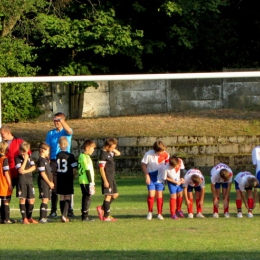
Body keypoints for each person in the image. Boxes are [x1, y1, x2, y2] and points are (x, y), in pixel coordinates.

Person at [45, 112, 73, 218]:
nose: (56, 122)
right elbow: (47, 147)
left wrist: (62, 121)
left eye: (58, 120)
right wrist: (48, 160)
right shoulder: (50, 133)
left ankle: (69, 209)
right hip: (54, 161)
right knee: (54, 186)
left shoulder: (66, 132)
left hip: (65, 161)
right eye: (55, 120)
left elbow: (69, 130)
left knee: (67, 186)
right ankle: (53, 210)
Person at [141, 140, 169, 220]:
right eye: (160, 152)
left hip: (160, 179)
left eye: (163, 151)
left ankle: (159, 214)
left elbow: (168, 166)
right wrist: (147, 176)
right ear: (155, 150)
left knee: (159, 195)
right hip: (151, 177)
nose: (161, 153)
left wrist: (167, 177)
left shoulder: (166, 154)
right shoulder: (148, 154)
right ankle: (150, 212)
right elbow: (143, 165)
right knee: (151, 194)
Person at [96, 138, 121, 222]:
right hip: (107, 178)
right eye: (112, 147)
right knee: (108, 196)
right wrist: (105, 181)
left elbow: (118, 153)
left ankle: (102, 208)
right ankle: (106, 216)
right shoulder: (103, 155)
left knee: (115, 195)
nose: (113, 149)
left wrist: (113, 148)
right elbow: (102, 169)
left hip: (112, 177)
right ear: (107, 146)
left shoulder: (109, 152)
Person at [15, 142, 38, 224]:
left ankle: (29, 217)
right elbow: (20, 169)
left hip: (30, 181)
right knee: (22, 199)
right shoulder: (17, 158)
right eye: (21, 151)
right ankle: (24, 218)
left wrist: (25, 171)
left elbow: (34, 167)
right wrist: (25, 160)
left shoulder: (30, 158)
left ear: (27, 151)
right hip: (22, 181)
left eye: (24, 151)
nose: (23, 153)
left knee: (31, 199)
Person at [56, 137, 78, 222]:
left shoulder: (57, 155)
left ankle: (62, 214)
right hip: (67, 178)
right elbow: (74, 167)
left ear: (59, 145)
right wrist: (73, 176)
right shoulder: (70, 156)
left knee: (61, 196)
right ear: (67, 144)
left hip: (60, 178)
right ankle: (64, 215)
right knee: (68, 196)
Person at [78, 140, 96, 222]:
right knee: (87, 197)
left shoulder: (82, 156)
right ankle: (85, 216)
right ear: (87, 148)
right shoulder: (85, 157)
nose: (93, 150)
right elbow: (87, 170)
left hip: (83, 180)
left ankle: (84, 215)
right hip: (86, 181)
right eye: (92, 148)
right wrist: (91, 183)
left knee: (86, 196)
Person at [162, 155, 185, 220]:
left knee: (180, 194)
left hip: (179, 181)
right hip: (171, 182)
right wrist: (174, 182)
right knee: (173, 196)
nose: (177, 166)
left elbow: (182, 169)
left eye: (177, 165)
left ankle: (178, 210)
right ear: (171, 165)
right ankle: (172, 214)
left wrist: (182, 178)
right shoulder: (166, 167)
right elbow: (165, 177)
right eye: (174, 166)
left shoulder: (180, 161)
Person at [37, 143, 54, 223]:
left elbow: (49, 172)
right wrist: (49, 182)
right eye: (48, 151)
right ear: (43, 151)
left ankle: (45, 217)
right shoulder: (41, 161)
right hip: (43, 183)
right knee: (44, 199)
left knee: (47, 199)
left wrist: (51, 182)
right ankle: (42, 218)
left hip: (47, 183)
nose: (48, 153)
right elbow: (42, 173)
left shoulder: (46, 160)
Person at [0, 141, 13, 224]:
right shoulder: (4, 159)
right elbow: (6, 172)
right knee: (6, 201)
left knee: (2, 201)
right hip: (3, 182)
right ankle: (6, 219)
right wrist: (10, 184)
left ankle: (1, 218)